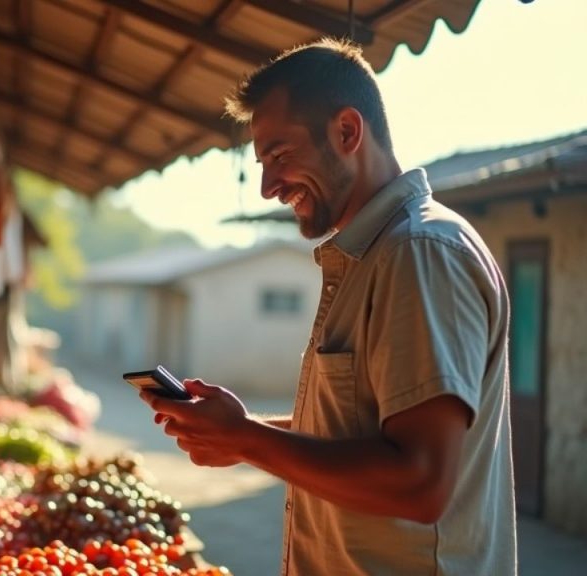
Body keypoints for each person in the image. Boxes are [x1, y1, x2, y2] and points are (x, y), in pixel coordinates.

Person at [139, 38, 516, 575]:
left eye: (280, 155)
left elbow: (420, 482)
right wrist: (243, 433)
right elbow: (360, 429)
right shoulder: (375, 255)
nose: (269, 187)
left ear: (346, 132)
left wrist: (245, 438)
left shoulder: (419, 253)